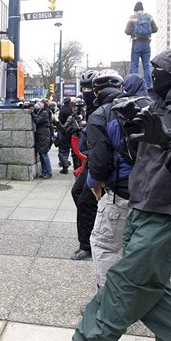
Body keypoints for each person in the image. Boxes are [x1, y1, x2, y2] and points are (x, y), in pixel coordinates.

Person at [48, 47, 171, 341]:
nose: (153, 71)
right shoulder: (161, 99)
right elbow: (148, 150)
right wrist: (134, 129)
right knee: (153, 290)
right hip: (144, 203)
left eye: (158, 66)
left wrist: (170, 137)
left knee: (126, 283)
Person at [86, 70, 149, 289]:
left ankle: (109, 302)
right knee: (142, 250)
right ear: (121, 88)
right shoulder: (147, 106)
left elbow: (99, 159)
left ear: (96, 92)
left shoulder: (100, 115)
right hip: (157, 191)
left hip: (122, 191)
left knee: (105, 245)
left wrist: (94, 183)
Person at [68, 71, 100, 260]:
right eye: (85, 88)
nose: (87, 92)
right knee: (77, 193)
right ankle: (91, 235)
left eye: (91, 88)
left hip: (99, 159)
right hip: (91, 158)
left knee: (86, 200)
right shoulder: (91, 107)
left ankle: (87, 244)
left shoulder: (102, 106)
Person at [124, 1, 158, 89]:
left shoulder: (132, 17)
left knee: (134, 64)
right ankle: (148, 86)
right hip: (146, 43)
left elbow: (127, 31)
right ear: (143, 9)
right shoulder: (149, 17)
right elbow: (155, 29)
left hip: (136, 43)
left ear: (134, 9)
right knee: (146, 65)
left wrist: (133, 32)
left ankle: (134, 85)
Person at [31, 99, 53, 179]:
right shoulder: (42, 111)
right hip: (42, 135)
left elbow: (37, 120)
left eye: (41, 103)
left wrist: (32, 113)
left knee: (44, 154)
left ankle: (48, 172)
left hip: (43, 135)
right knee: (42, 154)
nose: (39, 104)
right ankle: (44, 171)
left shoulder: (44, 112)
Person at [57, 97, 73, 174]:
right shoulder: (71, 110)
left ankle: (64, 165)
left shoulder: (62, 111)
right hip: (70, 132)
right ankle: (65, 161)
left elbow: (59, 122)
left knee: (62, 150)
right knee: (67, 148)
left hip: (63, 131)